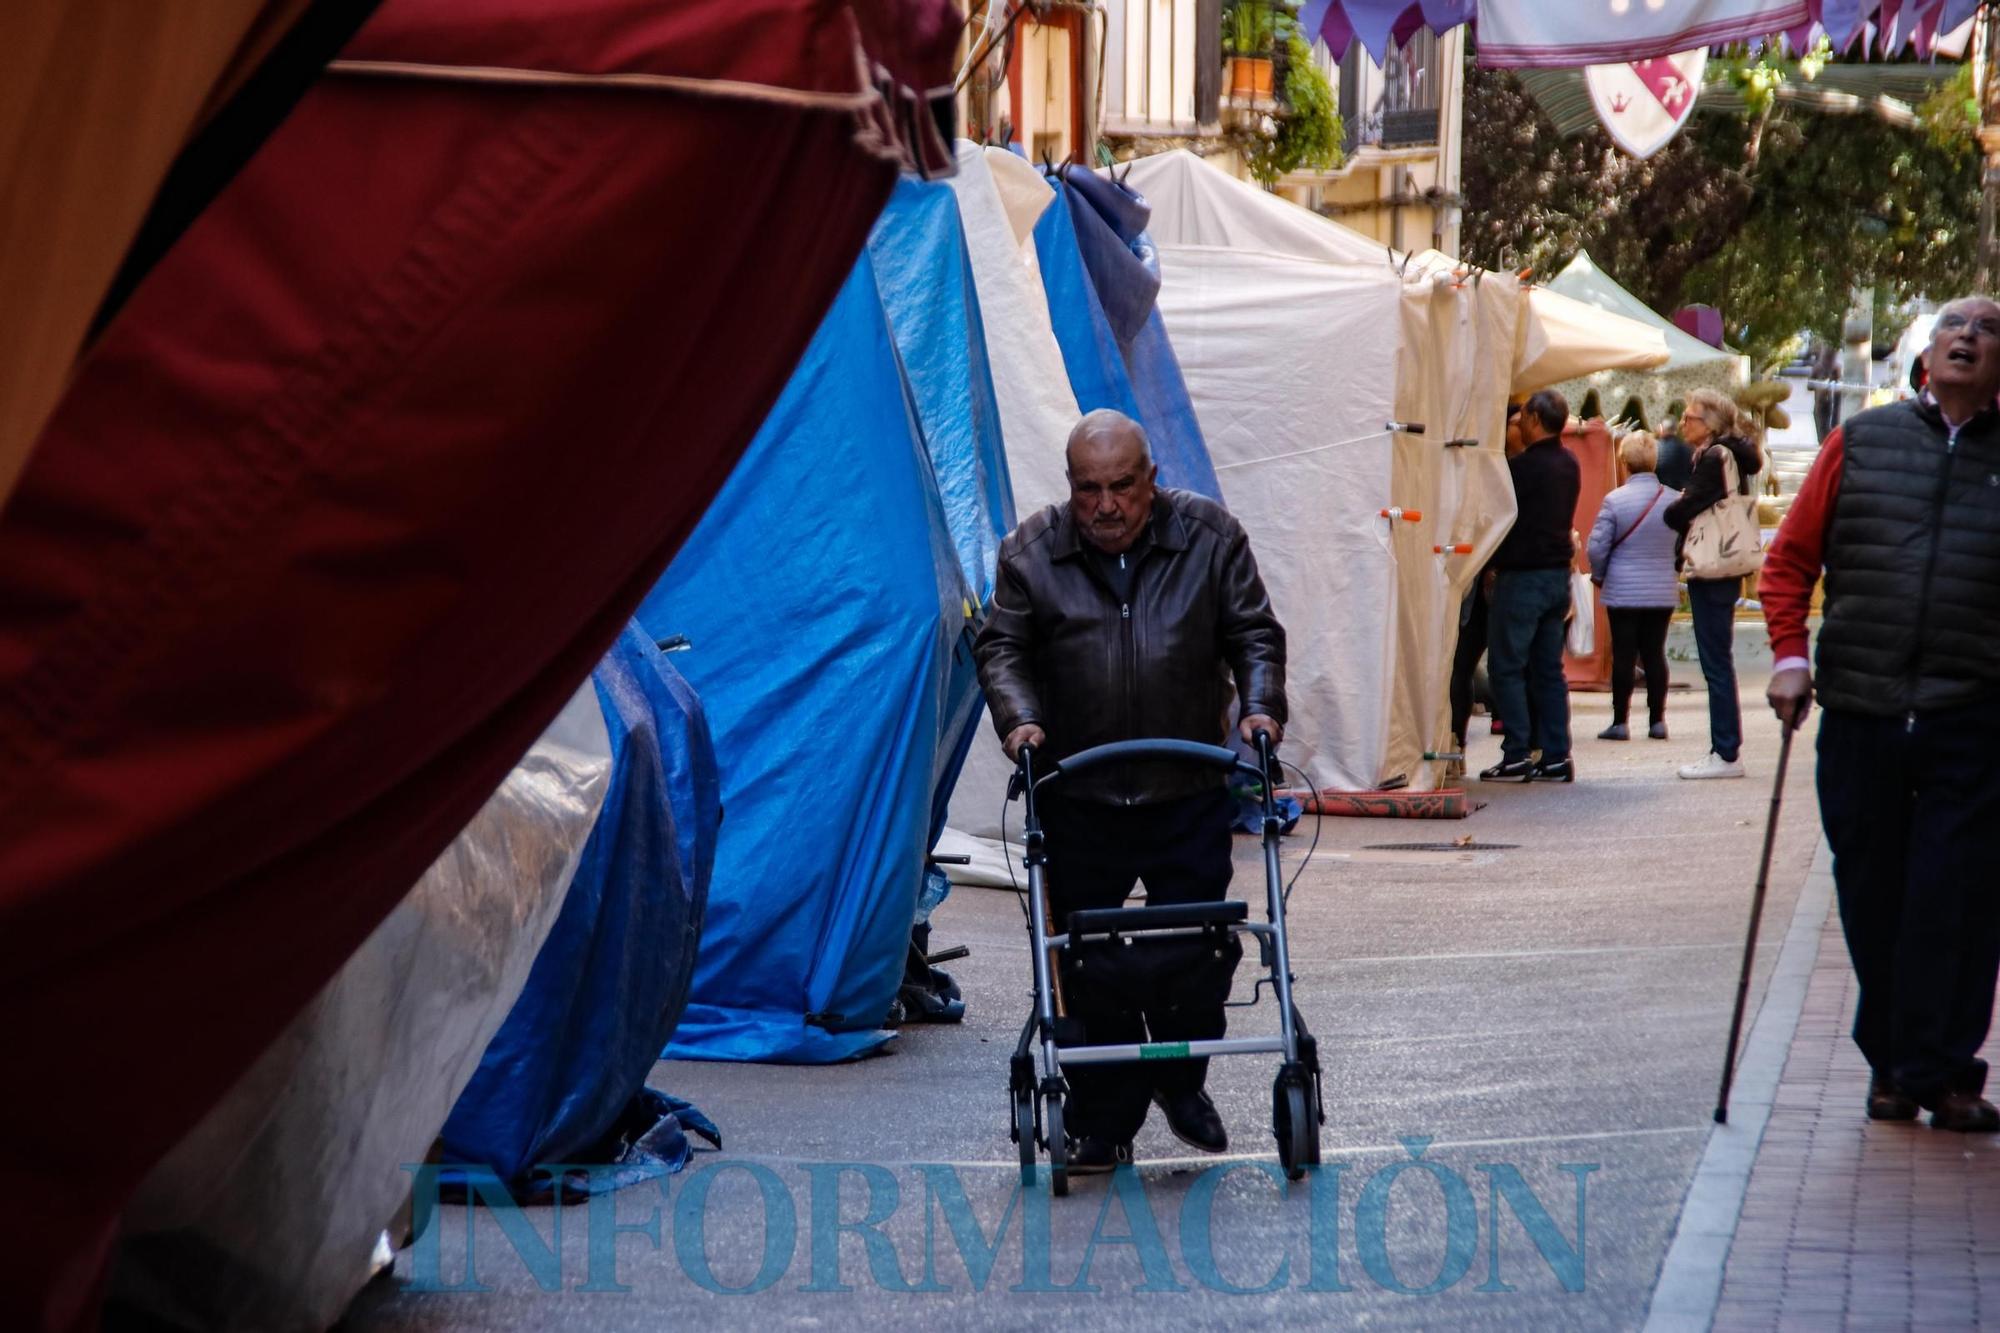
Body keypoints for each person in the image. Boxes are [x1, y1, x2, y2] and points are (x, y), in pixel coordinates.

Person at [973, 408, 1287, 1171]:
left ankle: (1180, 1082)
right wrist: (1019, 719)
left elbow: (1253, 632)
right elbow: (1002, 644)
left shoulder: (1212, 539)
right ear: (1071, 487)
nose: (1105, 505)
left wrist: (1259, 706)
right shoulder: (1031, 553)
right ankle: (1104, 1122)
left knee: (1199, 947)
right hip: (1078, 790)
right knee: (1087, 962)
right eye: (1088, 490)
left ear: (1152, 479)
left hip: (1185, 782)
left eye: (1121, 486)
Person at [1762, 296, 2000, 1134]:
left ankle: (1942, 1071)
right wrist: (1790, 658)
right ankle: (1895, 1059)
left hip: (1972, 715)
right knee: (1872, 893)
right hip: (1861, 711)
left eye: (1988, 328)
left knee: (1961, 896)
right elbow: (1789, 560)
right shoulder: (1858, 443)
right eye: (1953, 327)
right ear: (1924, 358)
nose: (1968, 336)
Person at [1480, 390, 1579, 783]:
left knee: (1506, 666)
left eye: (1522, 417)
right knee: (1548, 671)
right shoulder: (1570, 463)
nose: (1517, 422)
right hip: (1557, 578)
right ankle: (1557, 755)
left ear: (1536, 420)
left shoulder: (1520, 470)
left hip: (1522, 577)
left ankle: (1517, 752)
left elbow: (1499, 519)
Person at [1664, 388, 1761, 780]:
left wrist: (1676, 506)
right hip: (1727, 567)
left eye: (1690, 417)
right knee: (1718, 659)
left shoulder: (1714, 457)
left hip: (1713, 567)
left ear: (1710, 424)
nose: (1683, 423)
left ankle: (1725, 751)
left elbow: (1684, 510)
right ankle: (1724, 748)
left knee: (1715, 662)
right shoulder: (1734, 453)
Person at [1586, 431, 1680, 741]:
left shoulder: (1615, 500)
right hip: (1662, 589)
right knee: (1655, 653)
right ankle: (1657, 721)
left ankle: (1620, 722)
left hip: (1623, 590)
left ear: (1624, 462)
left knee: (1624, 654)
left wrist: (1600, 575)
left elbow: (1596, 548)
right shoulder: (1673, 500)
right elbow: (1682, 544)